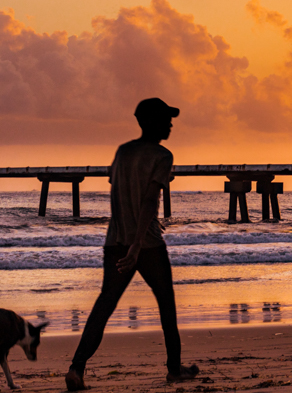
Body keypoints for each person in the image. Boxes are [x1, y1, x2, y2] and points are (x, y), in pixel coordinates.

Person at [66, 98, 198, 390]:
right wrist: (137, 245)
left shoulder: (123, 152)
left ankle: (77, 368)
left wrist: (126, 240)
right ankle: (174, 370)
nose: (171, 123)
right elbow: (150, 200)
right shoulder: (162, 156)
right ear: (150, 122)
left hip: (114, 241)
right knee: (166, 305)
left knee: (104, 306)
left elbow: (117, 189)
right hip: (147, 244)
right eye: (166, 118)